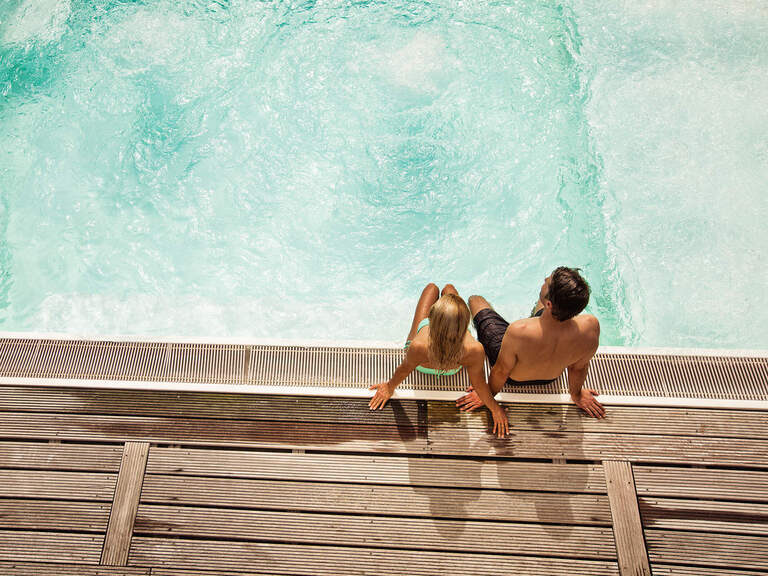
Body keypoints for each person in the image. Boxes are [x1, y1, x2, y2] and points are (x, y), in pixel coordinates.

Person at [456, 267, 603, 435]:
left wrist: (487, 395)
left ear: (549, 305)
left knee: (475, 300)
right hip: (549, 378)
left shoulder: (519, 330)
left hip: (514, 377)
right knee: (544, 307)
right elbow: (579, 367)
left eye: (547, 282)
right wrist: (576, 394)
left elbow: (501, 371)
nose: (545, 279)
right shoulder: (590, 327)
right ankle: (542, 312)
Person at [369, 283, 508, 436]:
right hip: (454, 364)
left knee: (431, 288)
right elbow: (479, 384)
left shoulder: (419, 346)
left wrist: (389, 387)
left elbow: (403, 370)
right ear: (464, 326)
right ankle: (450, 299)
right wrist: (495, 408)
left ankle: (438, 298)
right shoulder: (474, 349)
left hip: (422, 363)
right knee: (449, 289)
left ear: (431, 320)